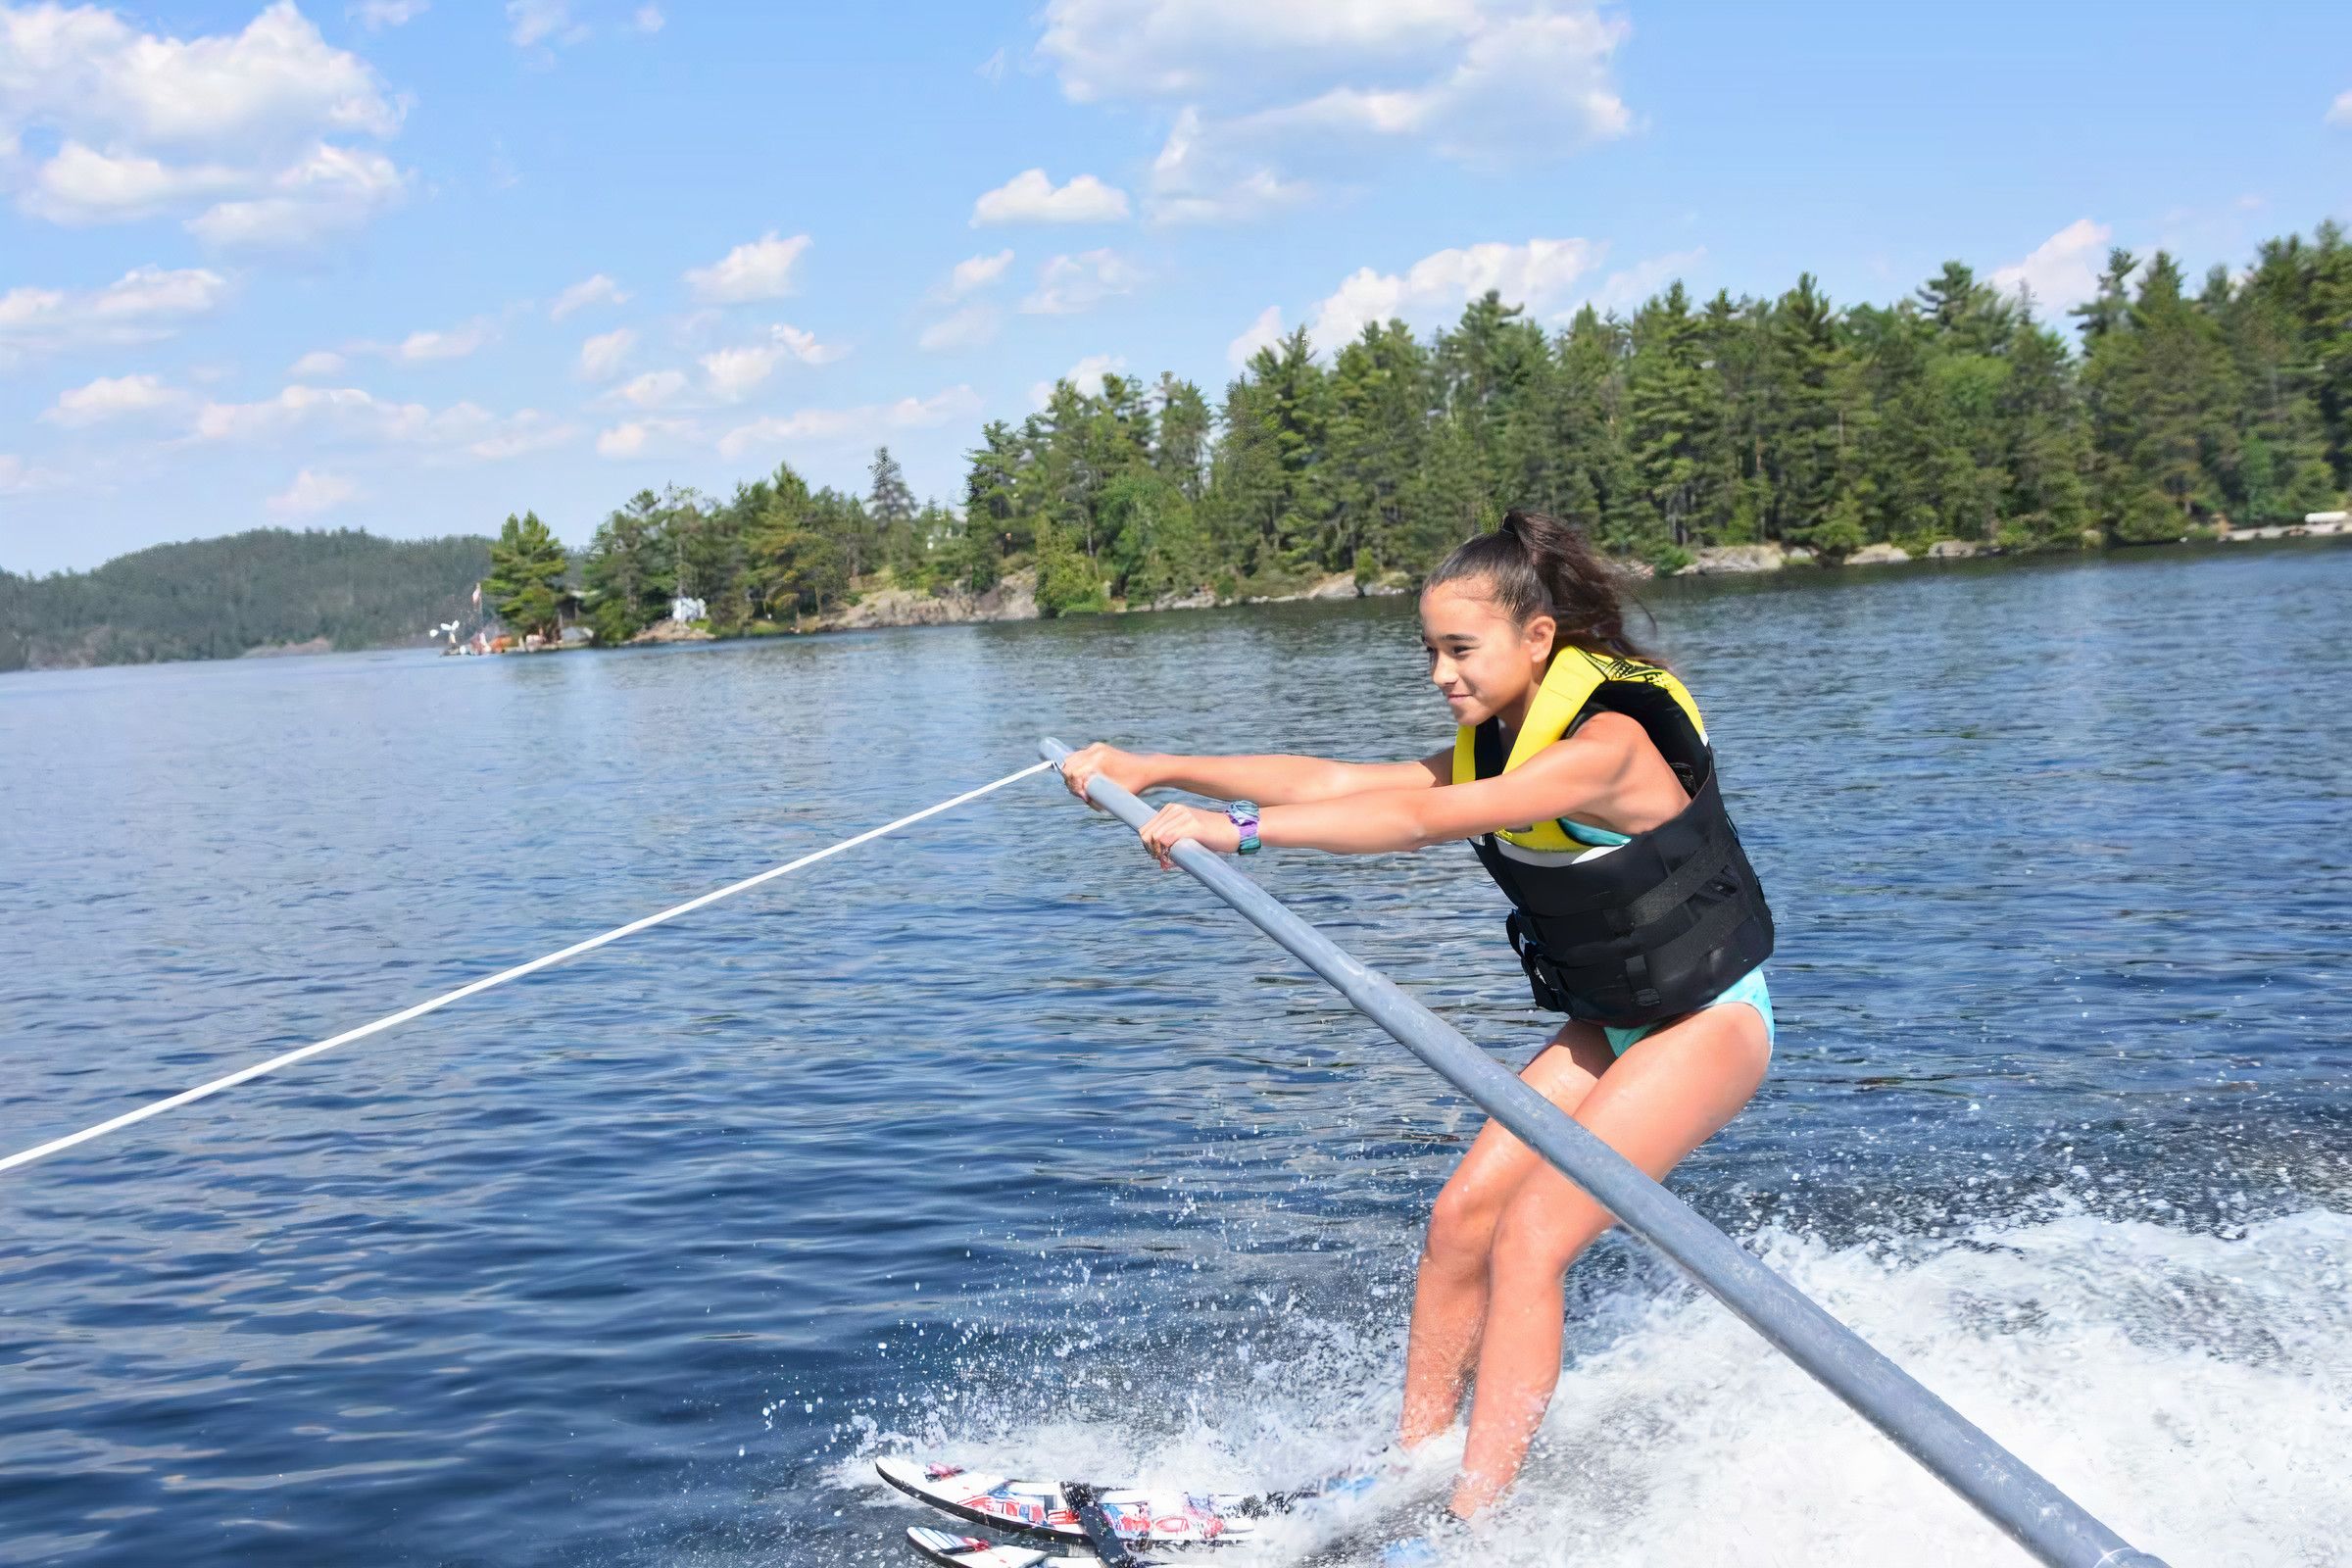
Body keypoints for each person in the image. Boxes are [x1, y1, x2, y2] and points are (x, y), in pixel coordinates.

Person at [1057, 511, 1776, 1555]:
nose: (1440, 671)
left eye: (1460, 649)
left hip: (1710, 1022)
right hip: (1612, 1021)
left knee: (1533, 1239)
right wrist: (1159, 763)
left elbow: (1419, 821)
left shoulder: (1607, 747)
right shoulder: (1500, 735)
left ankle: (1475, 1525)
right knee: (1460, 1222)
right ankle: (1413, 1467)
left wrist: (1241, 833)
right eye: (1429, 650)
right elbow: (1348, 783)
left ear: (1540, 640)